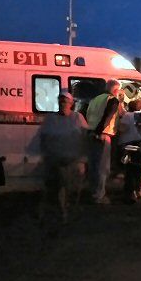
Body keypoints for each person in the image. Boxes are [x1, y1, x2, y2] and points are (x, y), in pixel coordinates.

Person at [40, 89, 88, 224]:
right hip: (59, 159)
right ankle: (63, 212)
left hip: (75, 159)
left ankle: (71, 208)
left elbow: (85, 135)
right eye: (61, 101)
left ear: (71, 103)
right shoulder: (51, 118)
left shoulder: (77, 118)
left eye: (66, 102)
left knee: (74, 187)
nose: (63, 104)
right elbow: (44, 137)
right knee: (61, 185)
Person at [86, 79, 121, 204]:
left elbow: (88, 116)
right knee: (102, 167)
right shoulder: (113, 100)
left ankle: (92, 191)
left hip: (90, 134)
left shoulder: (95, 100)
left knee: (93, 165)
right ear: (116, 90)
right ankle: (99, 196)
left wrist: (93, 131)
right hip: (102, 135)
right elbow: (108, 116)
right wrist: (100, 131)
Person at [118, 100, 141, 204]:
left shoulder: (127, 116)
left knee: (129, 169)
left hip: (128, 144)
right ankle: (137, 191)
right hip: (139, 144)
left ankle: (129, 193)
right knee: (137, 169)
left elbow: (122, 128)